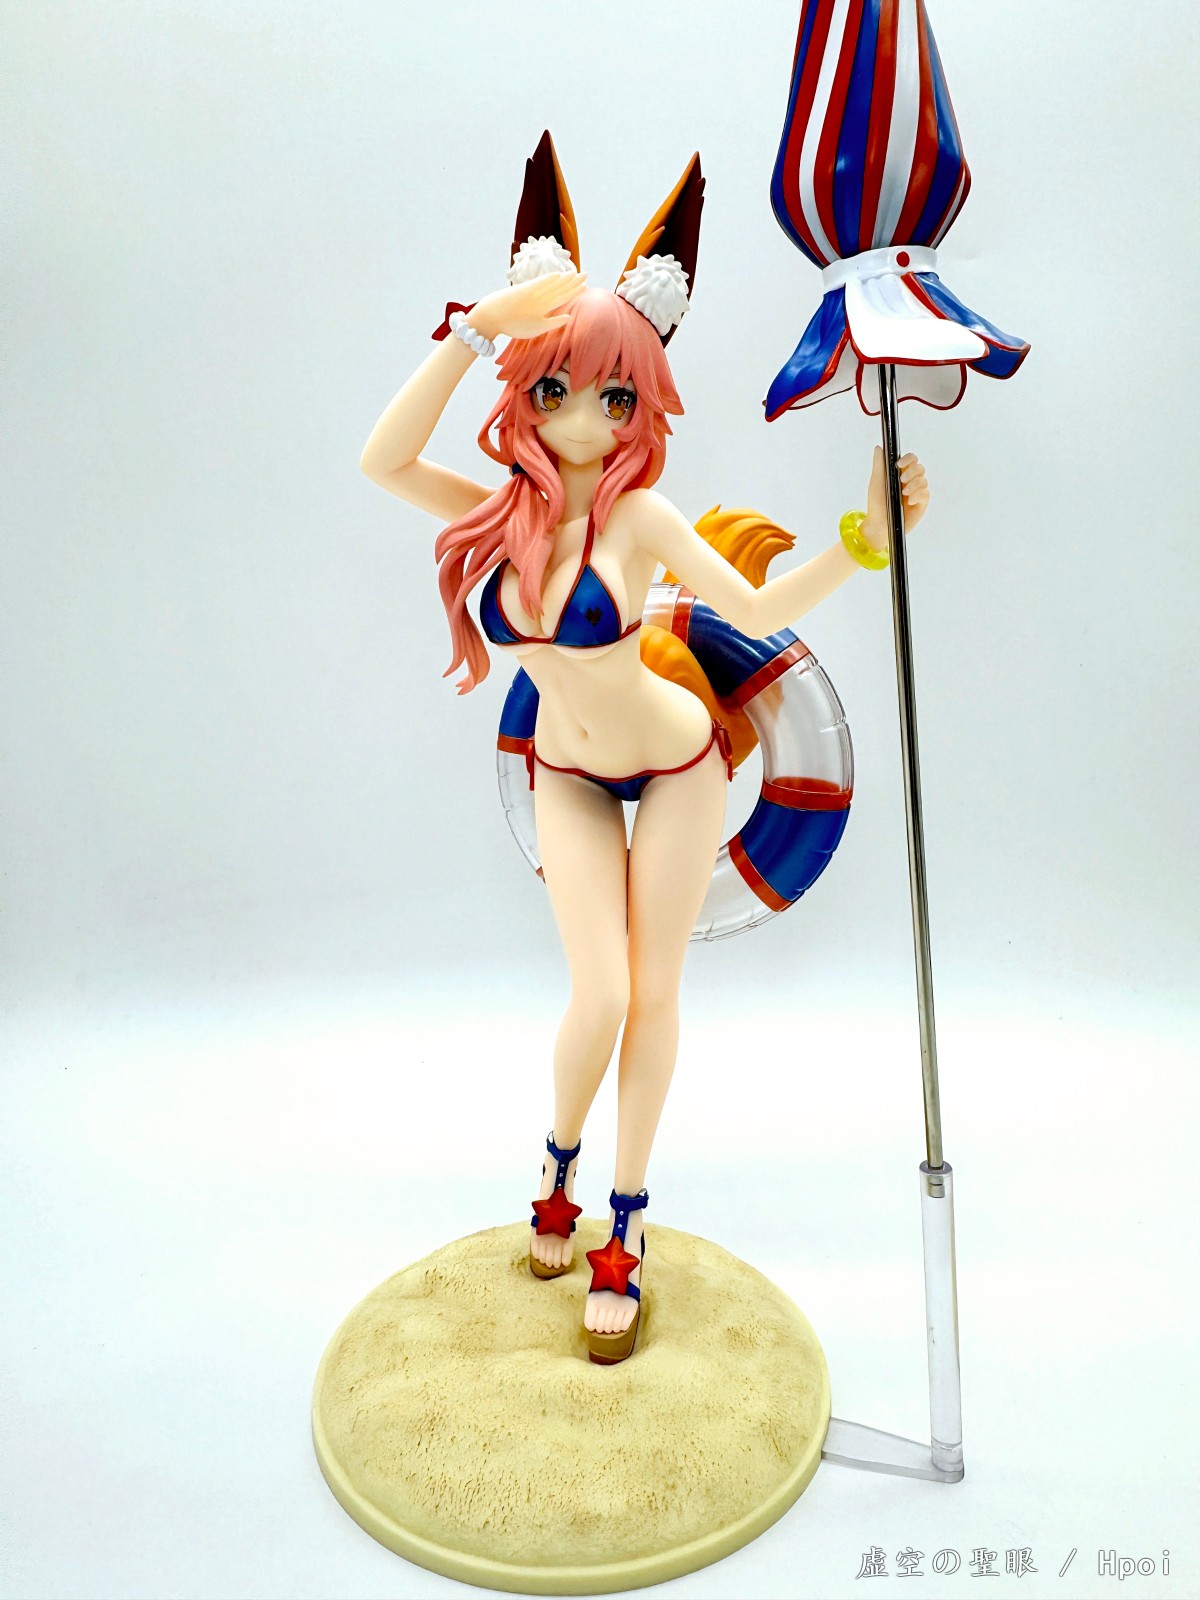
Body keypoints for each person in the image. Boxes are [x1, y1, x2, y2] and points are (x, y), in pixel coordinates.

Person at [360, 134, 929, 1364]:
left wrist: (864, 539)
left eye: (614, 397)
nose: (583, 417)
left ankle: (622, 1221)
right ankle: (553, 1169)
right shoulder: (495, 514)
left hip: (677, 765)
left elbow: (756, 610)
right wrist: (474, 329)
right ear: (526, 388)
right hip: (567, 772)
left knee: (653, 991)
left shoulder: (642, 518)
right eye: (558, 388)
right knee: (600, 992)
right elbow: (381, 459)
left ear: (639, 406)